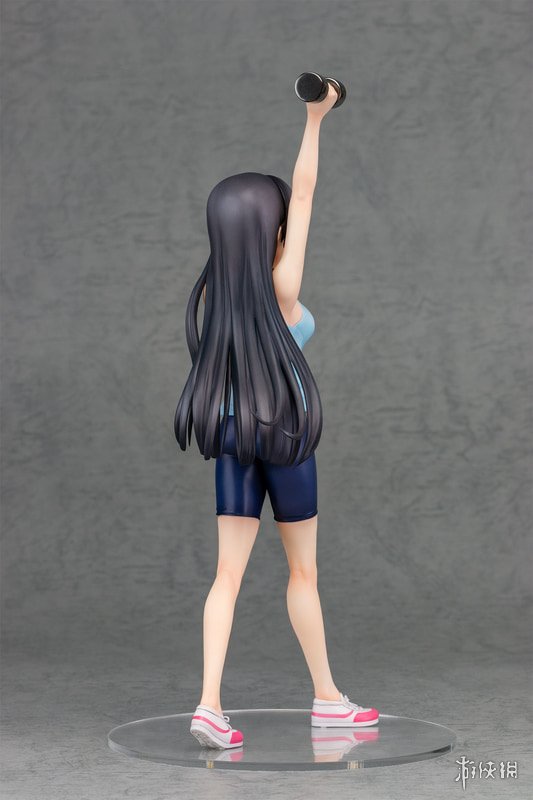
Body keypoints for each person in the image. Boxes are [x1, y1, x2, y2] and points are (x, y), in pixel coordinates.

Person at [174, 81, 379, 750]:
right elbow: (307, 191)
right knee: (302, 574)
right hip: (287, 440)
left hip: (235, 441)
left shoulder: (218, 301)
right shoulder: (282, 290)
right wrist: (316, 119)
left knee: (226, 576)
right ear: (272, 230)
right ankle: (327, 699)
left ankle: (208, 705)